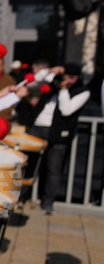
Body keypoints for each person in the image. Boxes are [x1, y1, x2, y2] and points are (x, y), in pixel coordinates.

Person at [29, 63, 91, 214]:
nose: (67, 80)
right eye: (66, 76)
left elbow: (66, 110)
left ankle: (47, 202)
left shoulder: (82, 91)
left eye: (71, 78)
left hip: (59, 133)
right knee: (29, 164)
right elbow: (32, 82)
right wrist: (49, 71)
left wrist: (63, 89)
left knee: (53, 168)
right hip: (38, 127)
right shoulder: (53, 80)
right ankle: (22, 197)